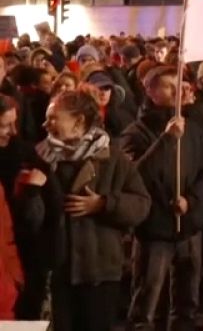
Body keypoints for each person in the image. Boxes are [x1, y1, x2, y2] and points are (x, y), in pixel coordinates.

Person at [40, 89, 151, 331]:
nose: (45, 124)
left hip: (99, 271)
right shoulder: (41, 158)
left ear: (78, 121)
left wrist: (104, 204)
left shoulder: (112, 159)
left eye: (53, 118)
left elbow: (141, 205)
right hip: (57, 270)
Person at [120, 67, 203, 331]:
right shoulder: (135, 133)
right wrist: (166, 140)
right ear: (150, 91)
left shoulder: (193, 129)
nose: (177, 92)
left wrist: (191, 199)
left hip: (189, 225)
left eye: (179, 86)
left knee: (187, 300)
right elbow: (135, 175)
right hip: (155, 228)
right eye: (167, 87)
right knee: (147, 301)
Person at [0, 94, 62, 320]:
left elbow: (51, 209)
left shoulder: (27, 155)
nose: (13, 131)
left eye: (14, 122)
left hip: (27, 253)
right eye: (4, 125)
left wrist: (32, 192)